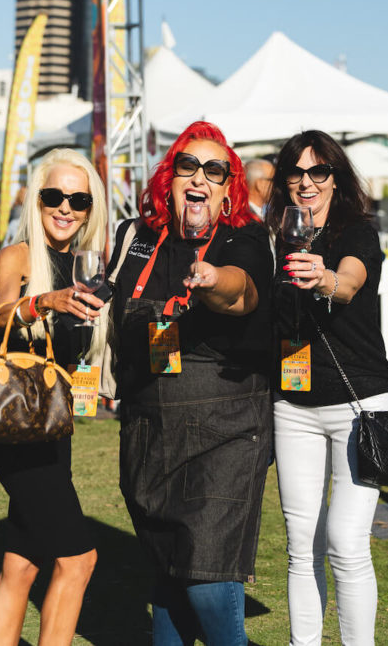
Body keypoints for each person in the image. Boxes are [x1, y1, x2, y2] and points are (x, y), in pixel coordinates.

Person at [107, 121, 274, 646]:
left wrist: (211, 281)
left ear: (227, 191)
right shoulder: (137, 237)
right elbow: (113, 305)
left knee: (206, 578)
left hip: (227, 427)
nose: (199, 176)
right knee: (169, 576)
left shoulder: (245, 237)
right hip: (149, 428)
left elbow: (242, 292)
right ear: (170, 179)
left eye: (214, 170)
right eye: (187, 166)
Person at [267, 130, 388, 646]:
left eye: (317, 171)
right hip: (293, 407)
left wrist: (322, 280)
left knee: (346, 542)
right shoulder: (273, 240)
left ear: (335, 178)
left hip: (358, 405)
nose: (306, 182)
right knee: (302, 546)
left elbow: (349, 282)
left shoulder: (356, 234)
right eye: (295, 172)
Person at [0, 148, 107, 646]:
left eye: (77, 199)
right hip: (17, 425)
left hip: (57, 426)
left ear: (90, 207)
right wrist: (44, 302)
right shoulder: (18, 257)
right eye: (54, 196)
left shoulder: (88, 266)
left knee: (22, 561)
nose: (65, 208)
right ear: (37, 200)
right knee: (79, 560)